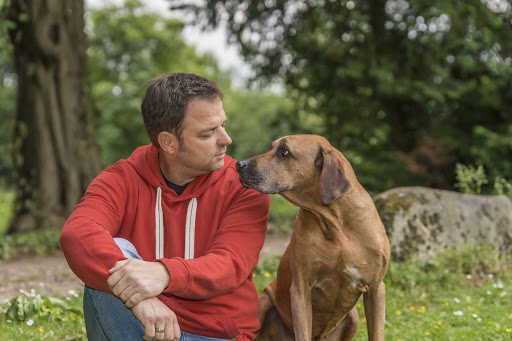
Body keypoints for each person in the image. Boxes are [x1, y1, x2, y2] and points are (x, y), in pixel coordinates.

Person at [60, 73, 270, 341]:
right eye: (208, 133)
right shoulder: (122, 179)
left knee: (114, 270)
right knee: (113, 256)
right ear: (169, 142)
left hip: (215, 336)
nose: (225, 139)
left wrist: (166, 273)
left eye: (223, 125)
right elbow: (77, 234)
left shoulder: (243, 186)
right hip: (143, 325)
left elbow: (230, 263)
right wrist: (140, 301)